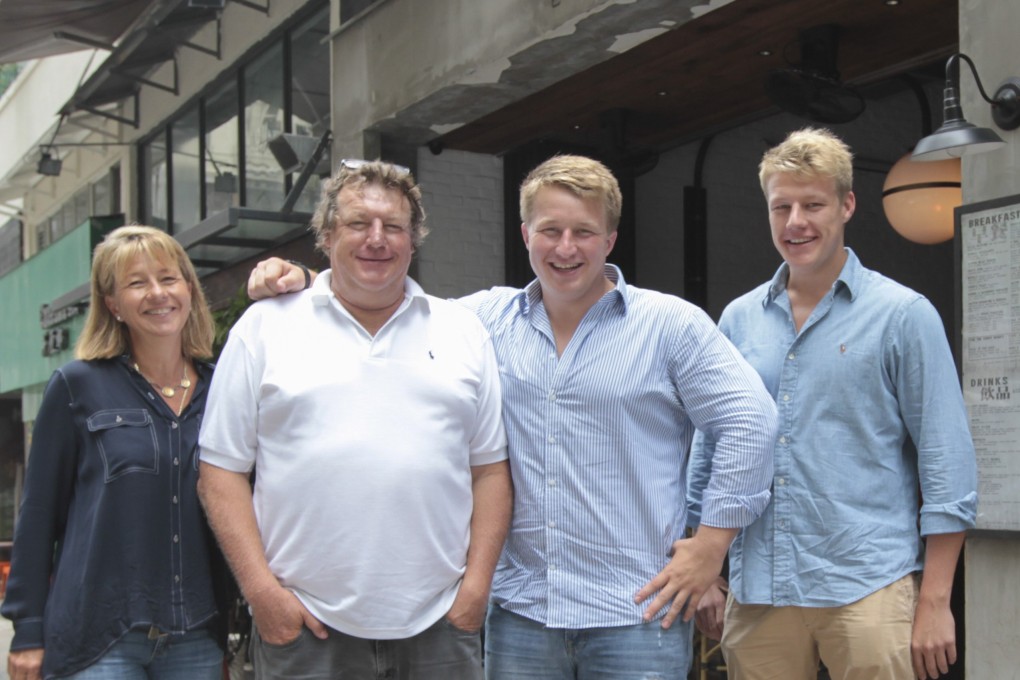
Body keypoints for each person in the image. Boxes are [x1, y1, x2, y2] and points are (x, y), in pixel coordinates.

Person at [249, 154, 778, 678]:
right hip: (522, 616)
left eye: (584, 232)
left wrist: (711, 546)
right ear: (525, 234)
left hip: (635, 614)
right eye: (550, 230)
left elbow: (750, 420)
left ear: (610, 240)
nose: (565, 248)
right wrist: (304, 279)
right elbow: (385, 299)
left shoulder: (670, 326)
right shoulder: (478, 322)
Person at [197, 159, 512, 680]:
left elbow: (490, 471)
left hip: (438, 629)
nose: (377, 239)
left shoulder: (463, 331)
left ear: (414, 240)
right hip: (305, 630)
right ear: (325, 234)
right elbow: (220, 473)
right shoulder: (266, 326)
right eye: (358, 223)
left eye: (394, 227)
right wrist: (262, 595)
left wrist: (476, 588)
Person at [688, 127, 978, 680]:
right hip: (760, 590)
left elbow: (947, 462)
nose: (796, 221)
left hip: (868, 584)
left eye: (813, 204)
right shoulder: (738, 320)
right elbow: (711, 450)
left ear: (846, 205)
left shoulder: (902, 315)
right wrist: (704, 564)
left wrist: (936, 598)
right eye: (782, 206)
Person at [2, 226, 226, 680]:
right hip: (100, 638)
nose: (157, 293)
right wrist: (28, 630)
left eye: (168, 278)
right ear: (112, 304)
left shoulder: (224, 387)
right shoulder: (77, 385)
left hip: (198, 635)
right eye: (136, 283)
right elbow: (39, 513)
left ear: (189, 289)